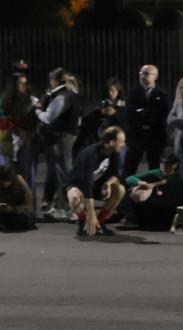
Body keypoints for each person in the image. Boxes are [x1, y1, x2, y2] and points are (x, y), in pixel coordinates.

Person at [36, 68, 82, 221]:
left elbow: (49, 117)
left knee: (63, 172)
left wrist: (37, 111)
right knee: (65, 170)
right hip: (69, 135)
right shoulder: (72, 93)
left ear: (55, 80)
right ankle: (66, 206)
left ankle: (66, 208)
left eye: (51, 80)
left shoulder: (62, 96)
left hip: (61, 137)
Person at [65, 126, 127, 237]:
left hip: (96, 186)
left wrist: (108, 183)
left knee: (120, 189)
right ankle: (83, 223)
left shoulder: (114, 152)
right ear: (112, 142)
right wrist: (91, 212)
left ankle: (99, 223)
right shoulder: (90, 154)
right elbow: (87, 183)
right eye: (121, 142)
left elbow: (115, 175)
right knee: (74, 196)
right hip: (79, 186)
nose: (123, 145)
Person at [124, 151, 183, 230]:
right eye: (163, 164)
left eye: (168, 164)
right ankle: (131, 219)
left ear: (175, 165)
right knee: (131, 191)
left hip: (169, 208)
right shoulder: (156, 173)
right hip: (154, 206)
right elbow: (129, 179)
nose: (165, 167)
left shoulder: (181, 177)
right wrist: (140, 182)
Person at [124, 64, 170, 177]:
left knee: (154, 166)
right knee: (130, 166)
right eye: (141, 73)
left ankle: (153, 191)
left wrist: (143, 112)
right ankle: (127, 190)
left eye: (146, 73)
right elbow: (129, 111)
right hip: (136, 134)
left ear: (155, 76)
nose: (142, 76)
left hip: (155, 135)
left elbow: (163, 112)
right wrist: (148, 113)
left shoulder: (162, 94)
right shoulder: (133, 93)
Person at [1, 73, 38, 193]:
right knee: (8, 171)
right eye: (20, 83)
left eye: (25, 83)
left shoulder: (30, 99)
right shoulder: (6, 99)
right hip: (8, 139)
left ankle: (26, 203)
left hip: (26, 138)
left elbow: (33, 120)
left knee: (25, 171)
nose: (24, 86)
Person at [74, 78, 127, 157]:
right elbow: (87, 117)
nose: (110, 93)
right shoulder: (102, 104)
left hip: (117, 138)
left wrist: (115, 113)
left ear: (118, 91)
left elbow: (126, 120)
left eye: (113, 90)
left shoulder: (123, 105)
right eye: (109, 90)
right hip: (101, 138)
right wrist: (99, 112)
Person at [0, 163, 36, 231]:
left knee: (21, 219)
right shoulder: (1, 186)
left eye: (6, 181)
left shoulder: (20, 183)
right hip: (4, 212)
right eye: (2, 182)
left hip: (20, 212)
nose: (5, 184)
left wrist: (13, 209)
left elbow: (29, 207)